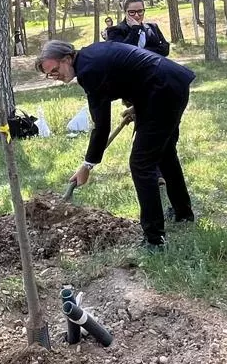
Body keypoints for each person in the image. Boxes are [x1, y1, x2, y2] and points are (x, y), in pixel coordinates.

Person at [37, 39, 195, 247]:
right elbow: (130, 75)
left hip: (163, 90)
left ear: (67, 58)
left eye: (55, 70)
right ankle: (182, 212)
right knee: (164, 153)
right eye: (50, 75)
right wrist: (138, 106)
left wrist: (88, 165)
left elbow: (101, 126)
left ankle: (154, 239)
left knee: (141, 164)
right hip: (167, 85)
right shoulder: (90, 56)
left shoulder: (88, 71)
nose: (55, 77)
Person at [105, 0, 170, 56]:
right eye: (132, 12)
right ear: (125, 12)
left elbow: (165, 49)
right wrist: (135, 29)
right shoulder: (114, 31)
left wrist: (141, 51)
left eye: (140, 11)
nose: (137, 15)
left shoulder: (153, 27)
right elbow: (123, 54)